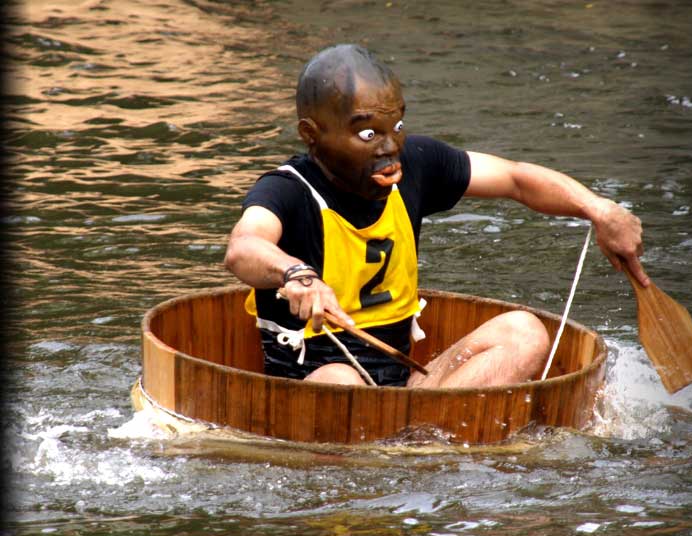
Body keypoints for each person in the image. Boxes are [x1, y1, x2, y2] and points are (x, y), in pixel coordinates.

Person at [224, 44, 647, 389]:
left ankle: (422, 441)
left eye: (398, 125)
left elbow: (516, 179)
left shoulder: (417, 164)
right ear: (312, 135)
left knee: (525, 331)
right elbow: (244, 247)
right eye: (367, 133)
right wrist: (296, 274)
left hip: (406, 386)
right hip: (315, 386)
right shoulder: (288, 189)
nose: (390, 147)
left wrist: (598, 208)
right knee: (341, 381)